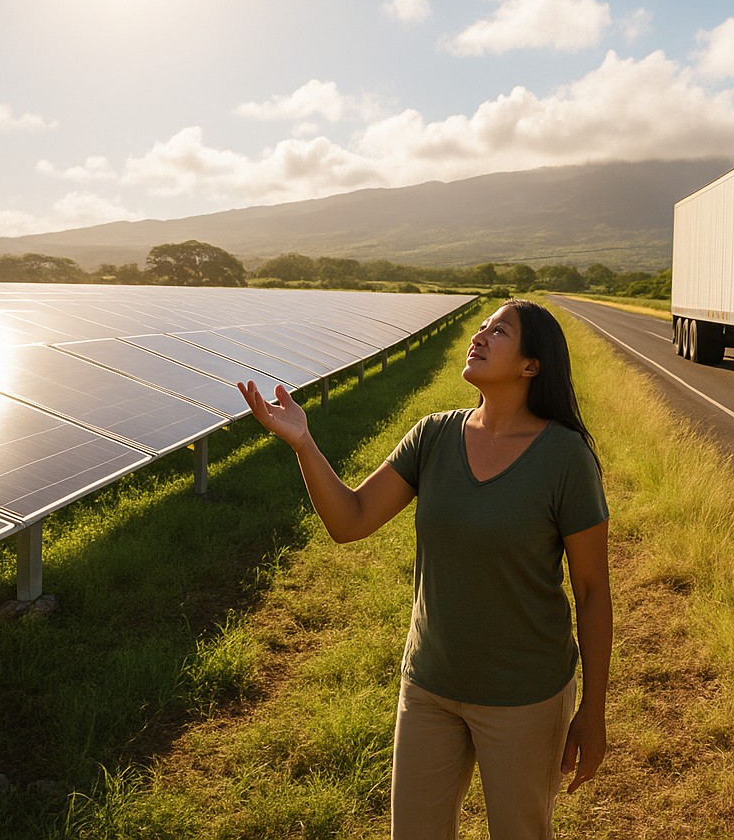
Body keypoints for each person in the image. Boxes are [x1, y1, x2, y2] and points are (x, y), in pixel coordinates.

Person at [237, 299, 611, 840]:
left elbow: (594, 591)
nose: (479, 336)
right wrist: (303, 442)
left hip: (525, 697)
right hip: (429, 688)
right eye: (480, 327)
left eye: (499, 331)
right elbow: (351, 519)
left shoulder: (565, 458)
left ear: (532, 365)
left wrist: (593, 711)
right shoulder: (432, 436)